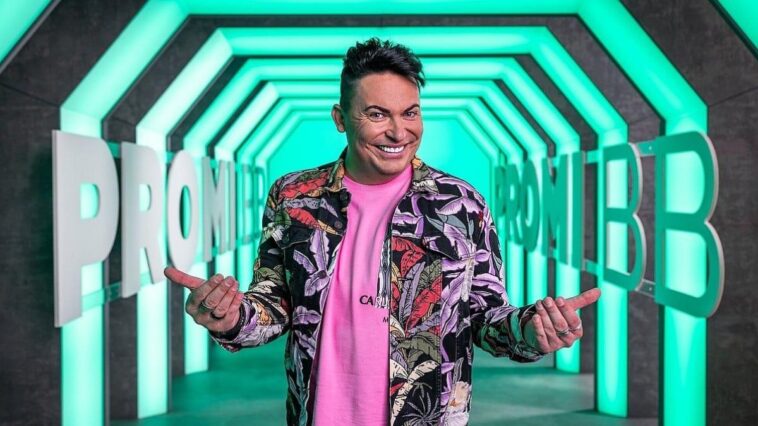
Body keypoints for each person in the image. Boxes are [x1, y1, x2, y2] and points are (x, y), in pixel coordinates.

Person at [164, 37, 600, 426]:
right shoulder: (294, 197)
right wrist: (231, 318)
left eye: (410, 113)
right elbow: (275, 304)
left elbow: (485, 318)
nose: (398, 131)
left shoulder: (461, 204)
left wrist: (531, 332)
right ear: (341, 118)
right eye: (377, 114)